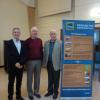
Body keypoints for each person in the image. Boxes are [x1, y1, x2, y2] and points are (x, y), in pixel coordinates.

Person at [7, 27, 27, 100]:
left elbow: (25, 54)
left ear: (20, 33)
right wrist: (15, 63)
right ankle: (10, 97)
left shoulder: (23, 42)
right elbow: (9, 55)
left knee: (19, 82)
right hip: (12, 67)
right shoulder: (9, 43)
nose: (16, 33)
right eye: (15, 32)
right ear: (12, 33)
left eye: (18, 32)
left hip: (20, 67)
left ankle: (18, 96)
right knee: (11, 83)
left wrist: (21, 63)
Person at [26, 26, 43, 100]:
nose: (35, 32)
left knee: (37, 77)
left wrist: (42, 61)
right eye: (33, 31)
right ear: (31, 32)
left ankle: (36, 92)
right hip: (29, 62)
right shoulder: (27, 41)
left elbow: (41, 50)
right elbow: (25, 52)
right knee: (29, 78)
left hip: (39, 61)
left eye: (36, 31)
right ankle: (30, 93)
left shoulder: (40, 40)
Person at [43, 30, 61, 99]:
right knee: (50, 78)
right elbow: (45, 54)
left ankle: (56, 92)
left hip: (56, 64)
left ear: (56, 35)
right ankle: (50, 91)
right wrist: (44, 63)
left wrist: (61, 65)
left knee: (56, 79)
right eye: (51, 34)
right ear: (50, 35)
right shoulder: (46, 43)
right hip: (49, 64)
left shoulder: (60, 43)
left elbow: (61, 55)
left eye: (54, 34)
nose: (53, 35)